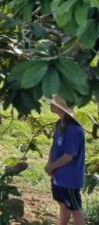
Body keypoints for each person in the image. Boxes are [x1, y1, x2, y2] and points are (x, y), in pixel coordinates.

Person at [46, 95, 86, 225]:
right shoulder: (60, 124)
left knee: (75, 208)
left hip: (69, 177)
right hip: (58, 174)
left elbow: (69, 156)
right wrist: (49, 163)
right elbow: (54, 146)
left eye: (53, 104)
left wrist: (52, 167)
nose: (50, 105)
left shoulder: (74, 129)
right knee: (63, 203)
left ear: (61, 108)